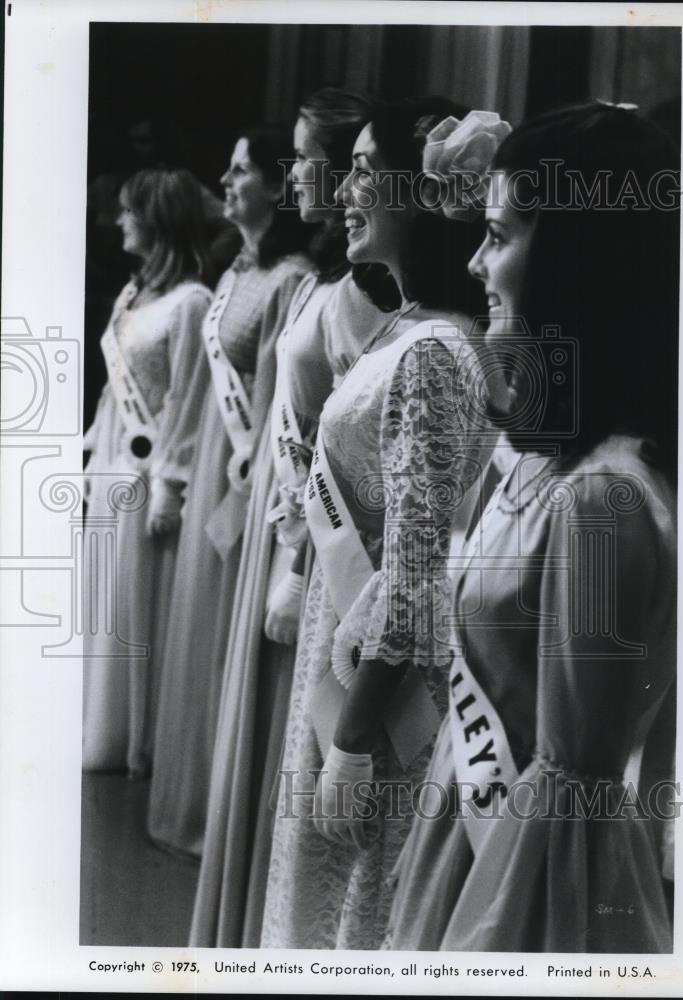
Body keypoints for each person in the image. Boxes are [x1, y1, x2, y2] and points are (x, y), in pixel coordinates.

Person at [385, 101, 679, 953]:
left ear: (576, 262)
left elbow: (571, 811)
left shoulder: (602, 503)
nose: (476, 262)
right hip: (465, 844)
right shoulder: (534, 460)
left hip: (515, 898)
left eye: (500, 235)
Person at [259, 98, 511, 950]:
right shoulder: (407, 332)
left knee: (349, 917)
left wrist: (356, 742)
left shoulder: (436, 352)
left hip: (383, 702)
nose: (347, 188)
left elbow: (415, 575)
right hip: (349, 664)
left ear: (424, 193)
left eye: (367, 170)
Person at [189, 89, 390, 946]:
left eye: (308, 157)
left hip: (311, 561)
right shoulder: (325, 282)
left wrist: (296, 563)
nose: (299, 173)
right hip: (284, 543)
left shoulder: (355, 297)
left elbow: (343, 454)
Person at [146, 127, 311, 856]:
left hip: (245, 475)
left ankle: (221, 817)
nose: (227, 176)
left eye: (241, 168)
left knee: (226, 643)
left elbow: (282, 404)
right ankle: (185, 802)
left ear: (279, 187)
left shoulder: (293, 278)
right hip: (212, 462)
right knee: (195, 635)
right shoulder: (231, 273)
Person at [82, 168, 214, 776]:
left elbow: (185, 399)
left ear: (156, 221)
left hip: (148, 478)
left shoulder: (192, 302)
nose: (118, 222)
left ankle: (132, 740)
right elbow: (117, 393)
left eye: (129, 211)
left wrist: (169, 486)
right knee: (101, 598)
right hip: (112, 466)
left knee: (134, 611)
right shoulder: (133, 295)